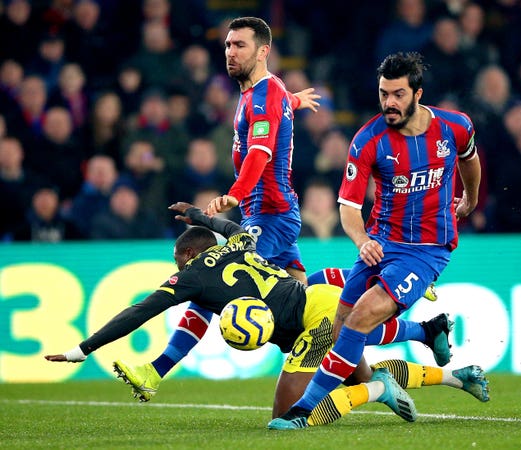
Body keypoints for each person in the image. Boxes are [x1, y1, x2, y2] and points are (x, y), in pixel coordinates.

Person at [45, 203, 489, 426]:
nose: (176, 269)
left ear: (186, 256)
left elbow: (139, 311)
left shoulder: (194, 276)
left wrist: (83, 348)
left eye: (178, 261)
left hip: (311, 322)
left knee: (290, 416)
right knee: (355, 356)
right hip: (314, 304)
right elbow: (235, 228)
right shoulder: (237, 245)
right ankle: (452, 372)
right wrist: (201, 215)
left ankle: (377, 389)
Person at [268, 51, 482, 430]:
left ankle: (303, 412)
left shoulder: (455, 126)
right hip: (380, 244)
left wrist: (471, 197)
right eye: (384, 94)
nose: (389, 103)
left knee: (363, 316)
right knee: (341, 330)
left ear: (418, 93)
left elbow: (469, 158)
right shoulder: (369, 139)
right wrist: (361, 239)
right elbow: (347, 206)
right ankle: (426, 332)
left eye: (398, 94)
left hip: (427, 250)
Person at [203, 17, 320, 286]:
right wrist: (295, 100)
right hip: (266, 212)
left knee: (225, 280)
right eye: (228, 45)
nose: (231, 52)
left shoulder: (264, 95)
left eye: (240, 45)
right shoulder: (263, 92)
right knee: (300, 298)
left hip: (271, 215)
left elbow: (259, 153)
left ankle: (377, 282)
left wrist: (235, 194)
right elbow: (279, 102)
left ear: (262, 52)